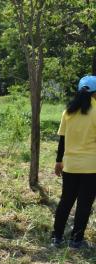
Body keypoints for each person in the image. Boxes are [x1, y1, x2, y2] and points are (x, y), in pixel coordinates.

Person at [51, 75, 96, 249]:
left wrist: (58, 161)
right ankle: (76, 240)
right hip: (91, 166)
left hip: (70, 165)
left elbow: (62, 139)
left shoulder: (67, 112)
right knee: (84, 204)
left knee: (66, 201)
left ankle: (57, 237)